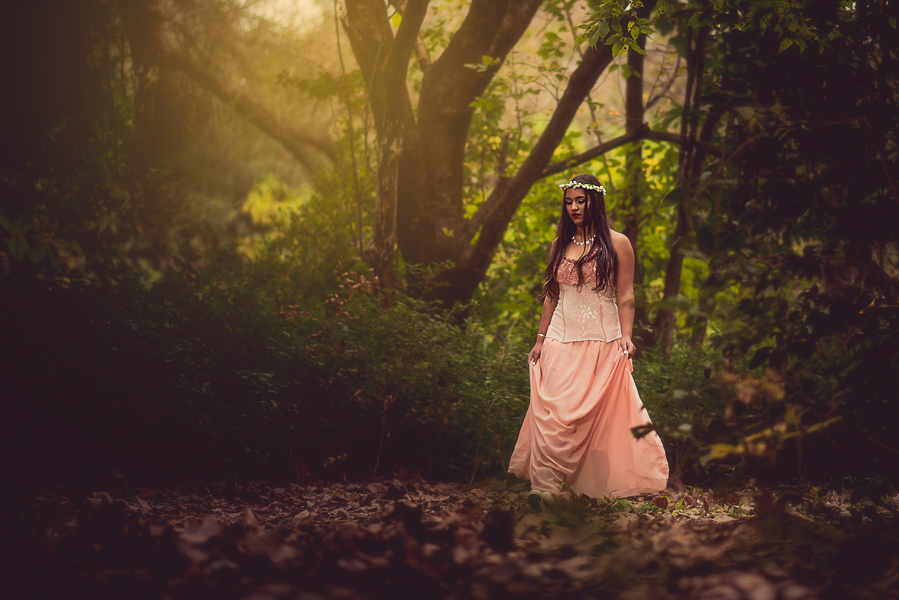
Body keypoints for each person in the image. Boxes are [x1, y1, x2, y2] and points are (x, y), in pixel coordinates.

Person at [508, 174, 669, 510]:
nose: (574, 207)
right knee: (553, 413)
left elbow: (626, 292)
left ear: (595, 201)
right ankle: (545, 488)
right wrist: (539, 339)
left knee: (594, 415)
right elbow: (552, 295)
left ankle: (592, 488)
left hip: (602, 339)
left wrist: (626, 336)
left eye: (580, 200)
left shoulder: (618, 243)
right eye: (569, 202)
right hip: (559, 339)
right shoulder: (559, 245)